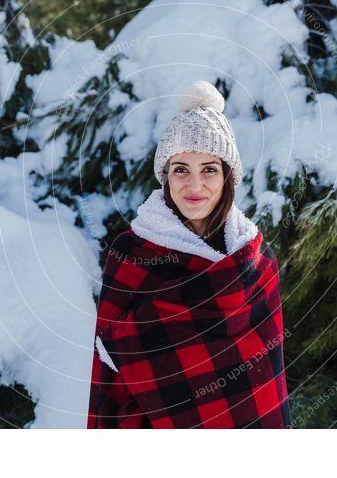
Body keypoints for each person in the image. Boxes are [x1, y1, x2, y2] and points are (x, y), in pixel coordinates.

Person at [86, 80, 293, 429]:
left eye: (209, 169)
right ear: (165, 177)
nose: (195, 186)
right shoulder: (131, 254)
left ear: (228, 176)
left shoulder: (257, 261)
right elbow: (107, 377)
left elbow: (268, 378)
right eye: (181, 169)